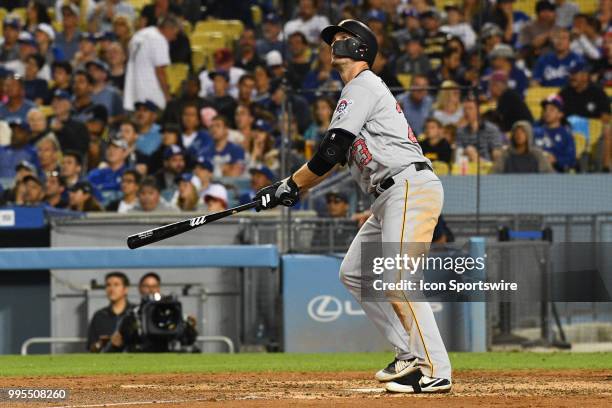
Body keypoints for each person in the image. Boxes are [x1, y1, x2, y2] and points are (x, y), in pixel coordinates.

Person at [254, 19, 452, 393]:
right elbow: (335, 157)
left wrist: (289, 185)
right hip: (389, 195)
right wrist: (288, 188)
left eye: (342, 38)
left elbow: (331, 151)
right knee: (354, 273)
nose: (334, 44)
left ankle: (435, 369)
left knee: (397, 280)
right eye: (334, 39)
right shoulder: (355, 92)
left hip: (408, 185)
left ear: (361, 48)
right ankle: (408, 355)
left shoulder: (362, 85)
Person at [123, 15, 179, 111]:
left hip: (132, 92)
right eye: (174, 33)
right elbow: (160, 71)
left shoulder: (138, 35)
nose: (174, 38)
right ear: (168, 29)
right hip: (151, 93)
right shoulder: (159, 39)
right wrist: (167, 95)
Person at [87, 271, 133, 352]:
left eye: (116, 285)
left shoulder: (135, 312)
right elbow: (91, 347)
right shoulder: (99, 315)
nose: (111, 289)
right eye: (108, 285)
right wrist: (101, 343)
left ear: (125, 289)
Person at [533, 95, 576, 172]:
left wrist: (555, 160)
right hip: (533, 172)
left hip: (556, 175)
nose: (547, 112)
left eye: (551, 109)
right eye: (545, 109)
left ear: (560, 114)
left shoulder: (566, 134)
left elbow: (571, 160)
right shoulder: (534, 131)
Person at [456, 98, 504, 163]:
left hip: (487, 167)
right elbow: (458, 154)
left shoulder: (492, 129)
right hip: (466, 167)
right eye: (465, 109)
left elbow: (497, 154)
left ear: (478, 110)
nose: (467, 112)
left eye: (470, 108)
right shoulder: (460, 131)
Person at [87, 137, 128, 205]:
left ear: (124, 152)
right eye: (109, 148)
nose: (111, 151)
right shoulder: (94, 174)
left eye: (116, 148)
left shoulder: (130, 175)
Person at [49, 90, 89, 156]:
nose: (55, 103)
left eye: (59, 101)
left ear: (69, 105)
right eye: (53, 101)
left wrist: (63, 129)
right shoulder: (46, 121)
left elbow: (82, 148)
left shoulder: (79, 126)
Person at [518, 0, 558, 65]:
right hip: (534, 60)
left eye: (550, 11)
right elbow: (523, 49)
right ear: (537, 13)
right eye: (544, 11)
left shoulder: (558, 28)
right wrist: (547, 36)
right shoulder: (527, 27)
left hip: (556, 61)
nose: (547, 13)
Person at [86, 59, 124, 125]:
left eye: (95, 70)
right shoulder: (82, 92)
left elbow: (124, 115)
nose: (91, 72)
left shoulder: (113, 93)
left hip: (107, 132)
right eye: (89, 70)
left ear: (104, 74)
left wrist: (112, 119)